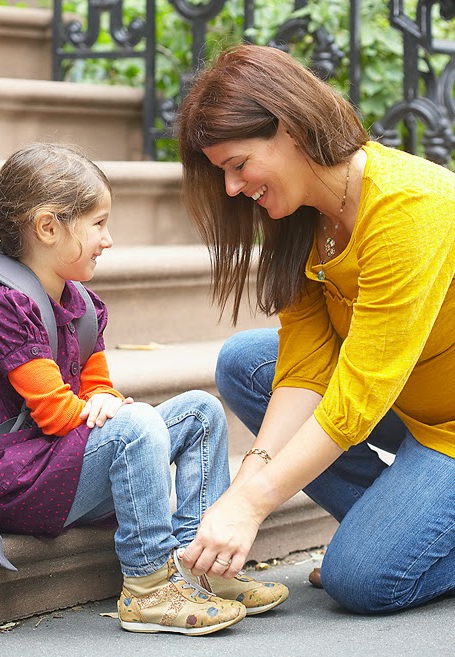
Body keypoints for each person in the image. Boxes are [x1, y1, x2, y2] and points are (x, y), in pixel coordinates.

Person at [0, 143, 288, 635]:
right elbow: (58, 415)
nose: (109, 239)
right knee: (135, 425)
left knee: (200, 411)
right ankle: (147, 588)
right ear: (48, 227)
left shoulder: (80, 303)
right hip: (2, 481)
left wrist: (109, 401)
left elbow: (97, 386)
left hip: (51, 463)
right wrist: (115, 411)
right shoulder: (2, 308)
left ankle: (200, 566)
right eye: (98, 224)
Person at [177, 44, 455, 615]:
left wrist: (252, 505)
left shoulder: (409, 208)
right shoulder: (303, 220)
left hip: (442, 423)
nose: (232, 189)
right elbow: (305, 370)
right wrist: (249, 478)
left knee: (362, 581)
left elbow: (357, 394)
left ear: (291, 130)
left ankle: (395, 541)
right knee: (247, 362)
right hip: (409, 407)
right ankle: (399, 527)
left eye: (238, 164)